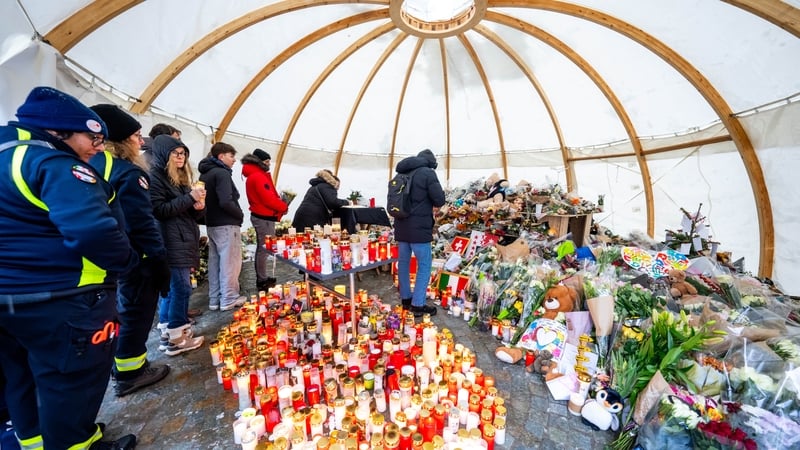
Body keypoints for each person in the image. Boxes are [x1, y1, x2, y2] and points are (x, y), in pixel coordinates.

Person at [0, 87, 139, 448]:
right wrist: (126, 261)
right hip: (61, 298)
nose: (97, 147)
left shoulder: (7, 156)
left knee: (21, 378)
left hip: (9, 299)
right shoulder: (52, 164)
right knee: (70, 383)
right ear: (59, 132)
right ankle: (75, 442)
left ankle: (33, 442)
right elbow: (93, 229)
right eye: (92, 137)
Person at [89, 104, 172, 397]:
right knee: (137, 311)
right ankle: (130, 371)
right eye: (136, 136)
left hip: (106, 259)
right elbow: (141, 221)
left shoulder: (92, 166)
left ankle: (126, 365)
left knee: (124, 310)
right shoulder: (126, 172)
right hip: (136, 258)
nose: (141, 141)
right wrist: (157, 258)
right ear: (123, 140)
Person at [149, 134, 205, 356]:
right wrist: (190, 198)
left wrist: (197, 205)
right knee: (180, 288)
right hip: (171, 241)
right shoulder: (155, 177)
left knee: (172, 290)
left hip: (180, 238)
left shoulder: (177, 179)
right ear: (165, 154)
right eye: (176, 153)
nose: (180, 157)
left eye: (183, 153)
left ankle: (168, 331)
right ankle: (177, 337)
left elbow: (181, 209)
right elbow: (159, 210)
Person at [393, 149, 445, 317]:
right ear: (430, 163)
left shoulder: (402, 173)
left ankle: (406, 299)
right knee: (424, 265)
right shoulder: (428, 173)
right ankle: (418, 304)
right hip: (419, 228)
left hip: (401, 226)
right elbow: (439, 199)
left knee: (404, 264)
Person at [199, 142, 247, 311]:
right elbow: (226, 201)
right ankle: (229, 297)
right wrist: (239, 215)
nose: (234, 160)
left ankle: (215, 299)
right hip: (226, 224)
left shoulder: (205, 174)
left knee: (215, 262)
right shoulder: (222, 173)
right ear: (221, 156)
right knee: (230, 262)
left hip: (212, 223)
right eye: (231, 155)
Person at [241, 148, 288, 291]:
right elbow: (267, 198)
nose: (269, 164)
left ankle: (263, 277)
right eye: (266, 161)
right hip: (263, 217)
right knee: (264, 248)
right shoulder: (258, 176)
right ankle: (261, 279)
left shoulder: (256, 175)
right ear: (259, 162)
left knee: (264, 248)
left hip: (263, 215)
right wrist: (283, 206)